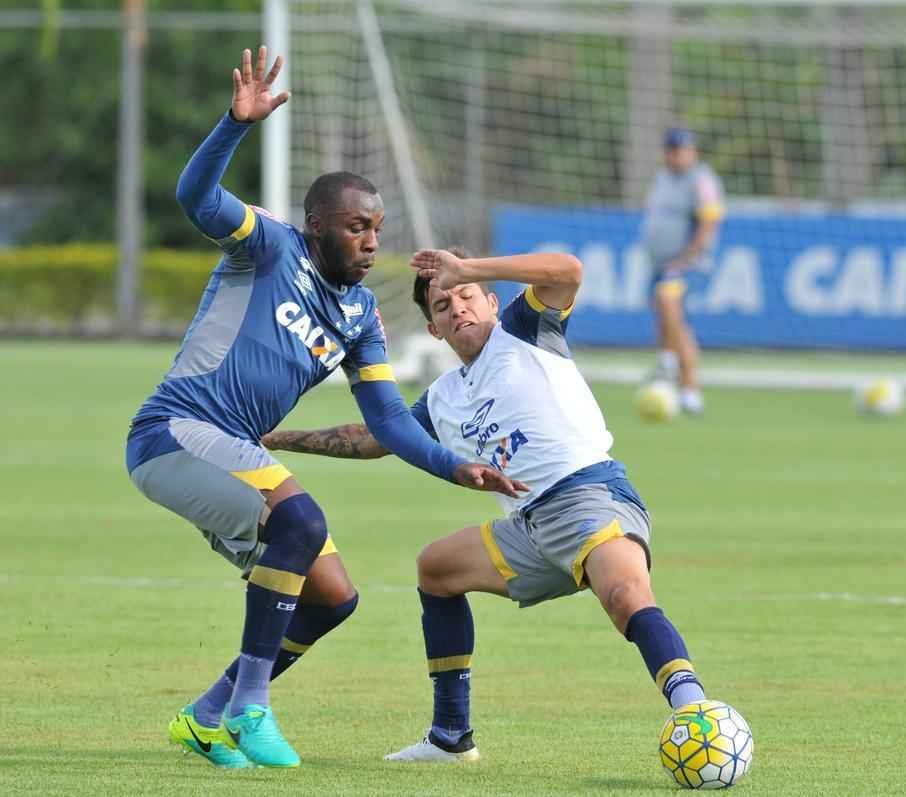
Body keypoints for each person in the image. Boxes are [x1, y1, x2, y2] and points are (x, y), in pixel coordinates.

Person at [124, 48, 525, 770]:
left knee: (333, 596)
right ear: (314, 225)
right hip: (174, 431)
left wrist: (451, 465)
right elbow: (194, 197)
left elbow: (389, 421)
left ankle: (205, 715)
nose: (370, 240)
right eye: (353, 227)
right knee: (302, 521)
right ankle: (251, 708)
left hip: (231, 447)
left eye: (375, 228)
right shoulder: (270, 247)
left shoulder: (362, 315)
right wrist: (232, 126)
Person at [262, 248, 715, 763]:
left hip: (588, 494)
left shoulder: (524, 331)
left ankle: (696, 712)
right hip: (527, 526)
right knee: (437, 569)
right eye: (441, 305)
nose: (456, 307)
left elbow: (568, 271)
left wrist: (468, 266)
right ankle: (451, 738)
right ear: (435, 330)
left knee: (626, 596)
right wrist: (277, 438)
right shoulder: (442, 397)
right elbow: (372, 438)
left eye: (466, 295)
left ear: (492, 302)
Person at [639, 126, 725, 416]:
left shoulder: (701, 180)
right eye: (673, 150)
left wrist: (687, 258)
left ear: (693, 152)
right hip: (661, 262)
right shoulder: (663, 178)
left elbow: (709, 222)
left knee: (669, 306)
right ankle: (668, 367)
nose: (677, 156)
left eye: (682, 150)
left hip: (687, 263)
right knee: (665, 316)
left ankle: (690, 388)